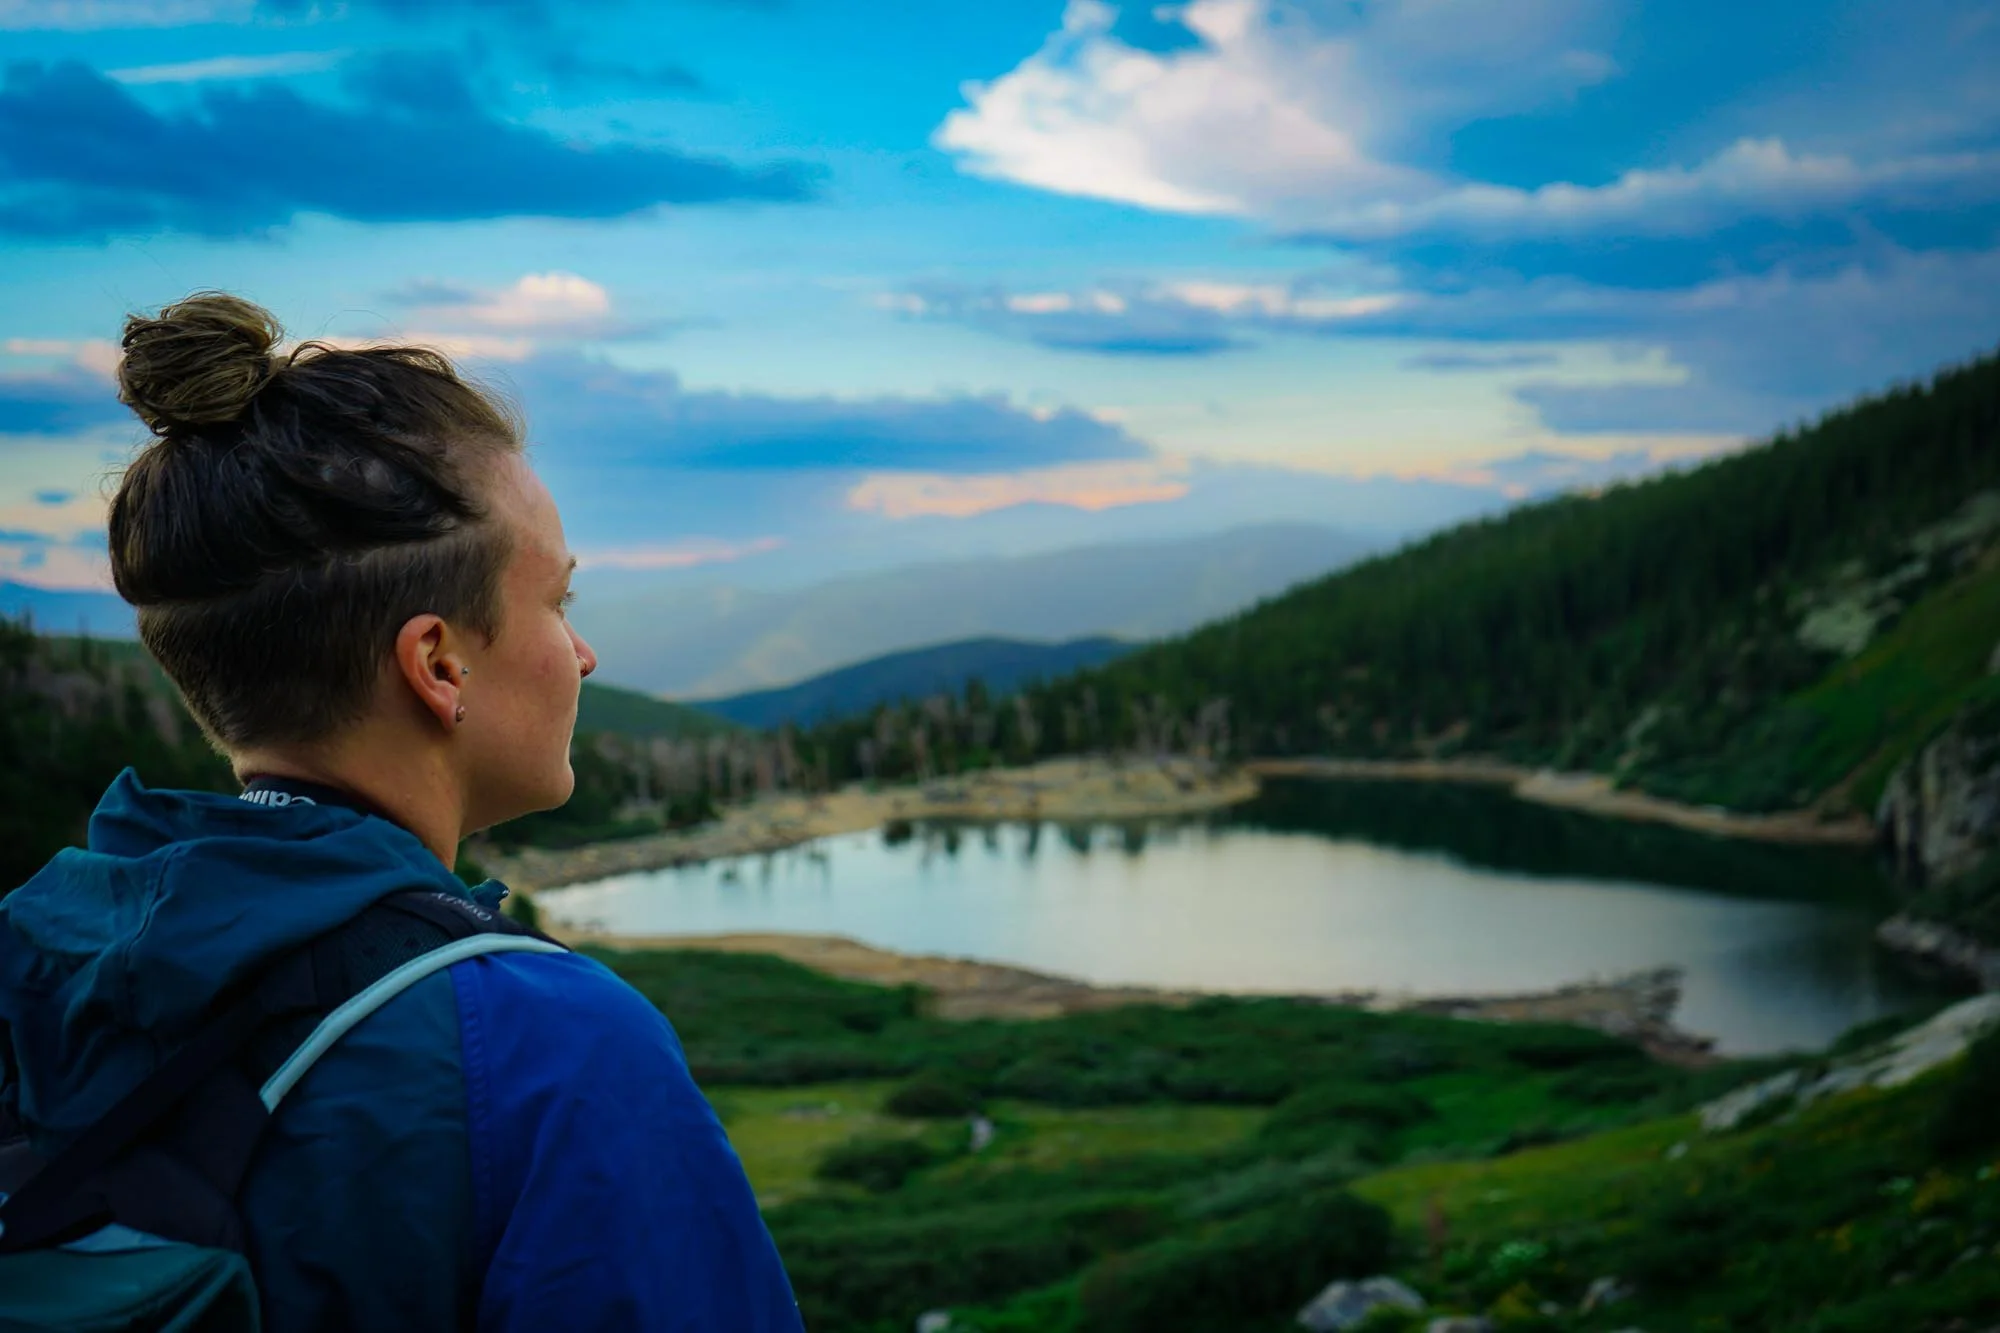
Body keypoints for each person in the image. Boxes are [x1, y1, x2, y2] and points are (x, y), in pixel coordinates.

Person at [0, 293, 804, 1331]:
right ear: (437, 663)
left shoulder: (34, 962)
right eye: (558, 604)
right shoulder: (551, 1048)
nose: (582, 652)